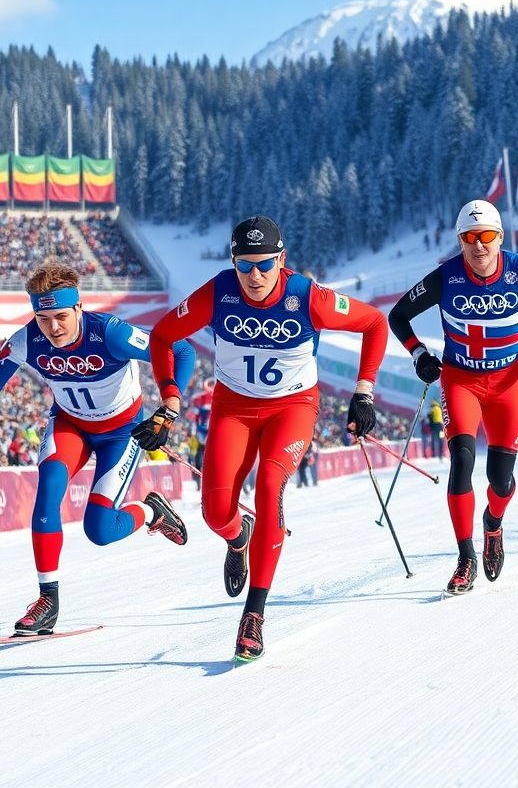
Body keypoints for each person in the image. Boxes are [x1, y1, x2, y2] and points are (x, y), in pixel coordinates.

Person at [137, 215, 388, 663]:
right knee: (216, 512)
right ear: (233, 262)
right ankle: (239, 538)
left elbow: (374, 324)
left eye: (265, 265)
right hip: (234, 409)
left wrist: (363, 393)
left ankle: (254, 613)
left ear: (282, 260)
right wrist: (170, 402)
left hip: (292, 408)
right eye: (245, 265)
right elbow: (161, 337)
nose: (255, 275)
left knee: (271, 487)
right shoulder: (218, 292)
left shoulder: (308, 296)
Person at [0, 260, 195, 635]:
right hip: (70, 425)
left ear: (78, 308)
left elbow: (180, 351)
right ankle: (48, 601)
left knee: (99, 530)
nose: (52, 327)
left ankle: (152, 513)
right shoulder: (27, 339)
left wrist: (168, 408)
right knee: (48, 489)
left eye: (61, 317)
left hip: (122, 431)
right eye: (43, 318)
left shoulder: (110, 334)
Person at [388, 199, 518, 596]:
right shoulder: (446, 277)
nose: (478, 246)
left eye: (486, 237)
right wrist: (418, 354)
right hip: (461, 381)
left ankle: (493, 524)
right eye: (469, 238)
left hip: (508, 383)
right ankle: (466, 558)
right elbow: (397, 316)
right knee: (462, 461)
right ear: (460, 241)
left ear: (500, 237)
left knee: (501, 479)